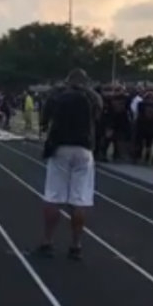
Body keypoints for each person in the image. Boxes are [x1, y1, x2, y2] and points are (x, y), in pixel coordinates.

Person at [35, 68, 101, 261]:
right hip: (84, 148)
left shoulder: (57, 95)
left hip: (60, 146)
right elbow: (98, 114)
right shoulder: (91, 97)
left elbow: (44, 120)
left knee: (53, 196)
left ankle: (48, 241)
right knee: (80, 199)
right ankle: (76, 245)